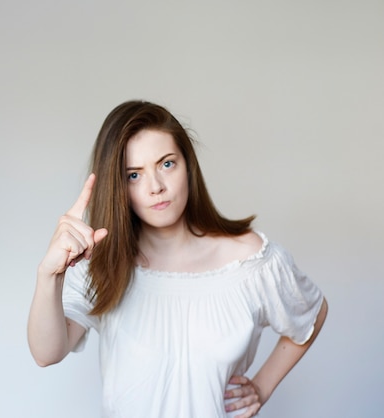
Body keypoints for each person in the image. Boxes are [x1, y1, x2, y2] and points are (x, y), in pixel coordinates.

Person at [27, 100, 328, 418]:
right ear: (117, 186)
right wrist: (49, 274)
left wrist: (262, 387)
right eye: (134, 175)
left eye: (166, 164)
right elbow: (46, 353)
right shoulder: (101, 263)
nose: (156, 187)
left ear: (188, 166)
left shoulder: (250, 261)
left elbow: (312, 312)